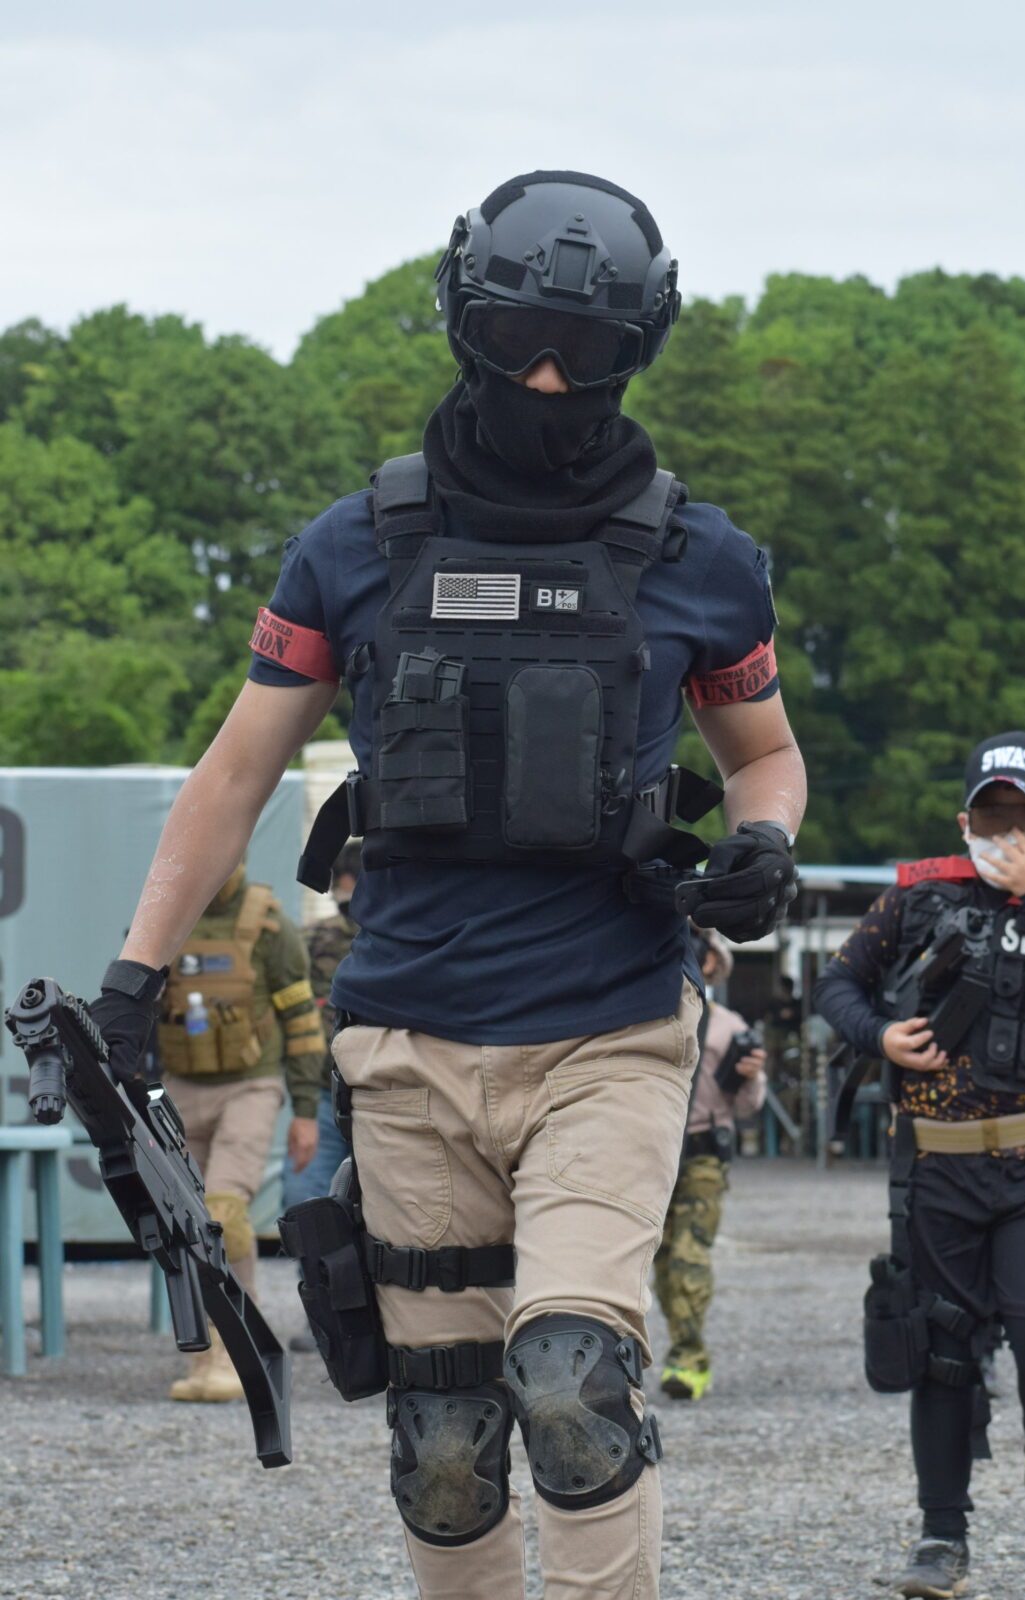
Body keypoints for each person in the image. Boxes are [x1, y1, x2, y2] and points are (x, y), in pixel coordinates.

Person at [87, 170, 804, 1599]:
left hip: (609, 1032)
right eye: (517, 339)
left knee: (573, 1387)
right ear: (463, 325)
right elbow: (232, 774)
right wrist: (132, 974)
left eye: (582, 350)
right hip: (408, 1045)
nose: (545, 378)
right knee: (447, 1441)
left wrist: (765, 843)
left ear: (633, 349)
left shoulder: (699, 559)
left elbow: (764, 755)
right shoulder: (355, 546)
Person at [814, 731, 1025, 1598]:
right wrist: (879, 1034)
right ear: (965, 822)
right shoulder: (920, 900)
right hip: (939, 1170)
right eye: (994, 818)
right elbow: (837, 985)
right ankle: (941, 1537)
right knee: (942, 1352)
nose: (1013, 836)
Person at [155, 860, 328, 1401]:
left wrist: (305, 1111)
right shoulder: (165, 919)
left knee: (224, 1215)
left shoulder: (269, 925)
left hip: (250, 1086)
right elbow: (137, 1012)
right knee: (187, 1225)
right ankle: (206, 1358)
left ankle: (236, 1355)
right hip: (179, 1089)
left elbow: (302, 1024)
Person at [655, 934, 767, 1401]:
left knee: (690, 1255)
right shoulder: (650, 1017)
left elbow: (747, 1107)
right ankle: (680, 1345)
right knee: (661, 1261)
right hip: (654, 1151)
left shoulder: (728, 1027)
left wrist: (751, 1077)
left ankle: (689, 1357)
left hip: (702, 1154)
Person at [285, 842, 362, 1352]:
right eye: (340, 900)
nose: (348, 911)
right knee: (306, 1205)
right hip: (324, 1095)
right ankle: (331, 1321)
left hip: (387, 1097)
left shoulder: (412, 941)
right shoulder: (315, 941)